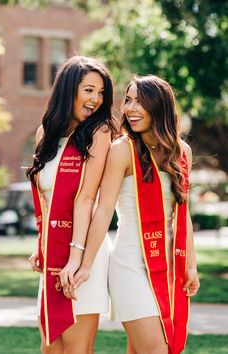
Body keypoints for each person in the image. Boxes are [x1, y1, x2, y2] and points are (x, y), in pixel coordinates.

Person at [71, 75, 200, 354]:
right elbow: (103, 210)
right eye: (127, 100)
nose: (130, 108)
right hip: (129, 266)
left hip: (167, 267)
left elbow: (182, 213)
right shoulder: (122, 150)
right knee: (157, 349)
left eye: (140, 101)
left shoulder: (182, 153)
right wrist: (85, 264)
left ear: (159, 106)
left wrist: (191, 264)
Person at [27, 55, 114, 354]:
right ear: (69, 90)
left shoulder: (98, 133)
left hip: (83, 249)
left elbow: (87, 198)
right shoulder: (45, 134)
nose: (96, 99)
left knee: (77, 348)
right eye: (89, 90)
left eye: (101, 92)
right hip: (54, 251)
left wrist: (77, 260)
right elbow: (46, 198)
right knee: (50, 346)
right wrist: (41, 245)